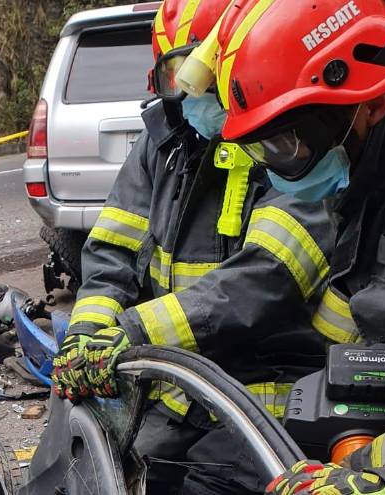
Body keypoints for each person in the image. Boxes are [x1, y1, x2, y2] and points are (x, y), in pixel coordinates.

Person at [50, 0, 334, 492]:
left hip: (268, 399)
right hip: (178, 393)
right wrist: (87, 334)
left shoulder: (288, 138)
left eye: (201, 73)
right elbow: (112, 255)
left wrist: (134, 330)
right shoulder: (165, 142)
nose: (191, 93)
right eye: (176, 75)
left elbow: (267, 277)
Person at [202, 0, 385, 493]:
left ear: (372, 103)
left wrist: (384, 486)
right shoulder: (376, 167)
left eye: (289, 144)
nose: (285, 165)